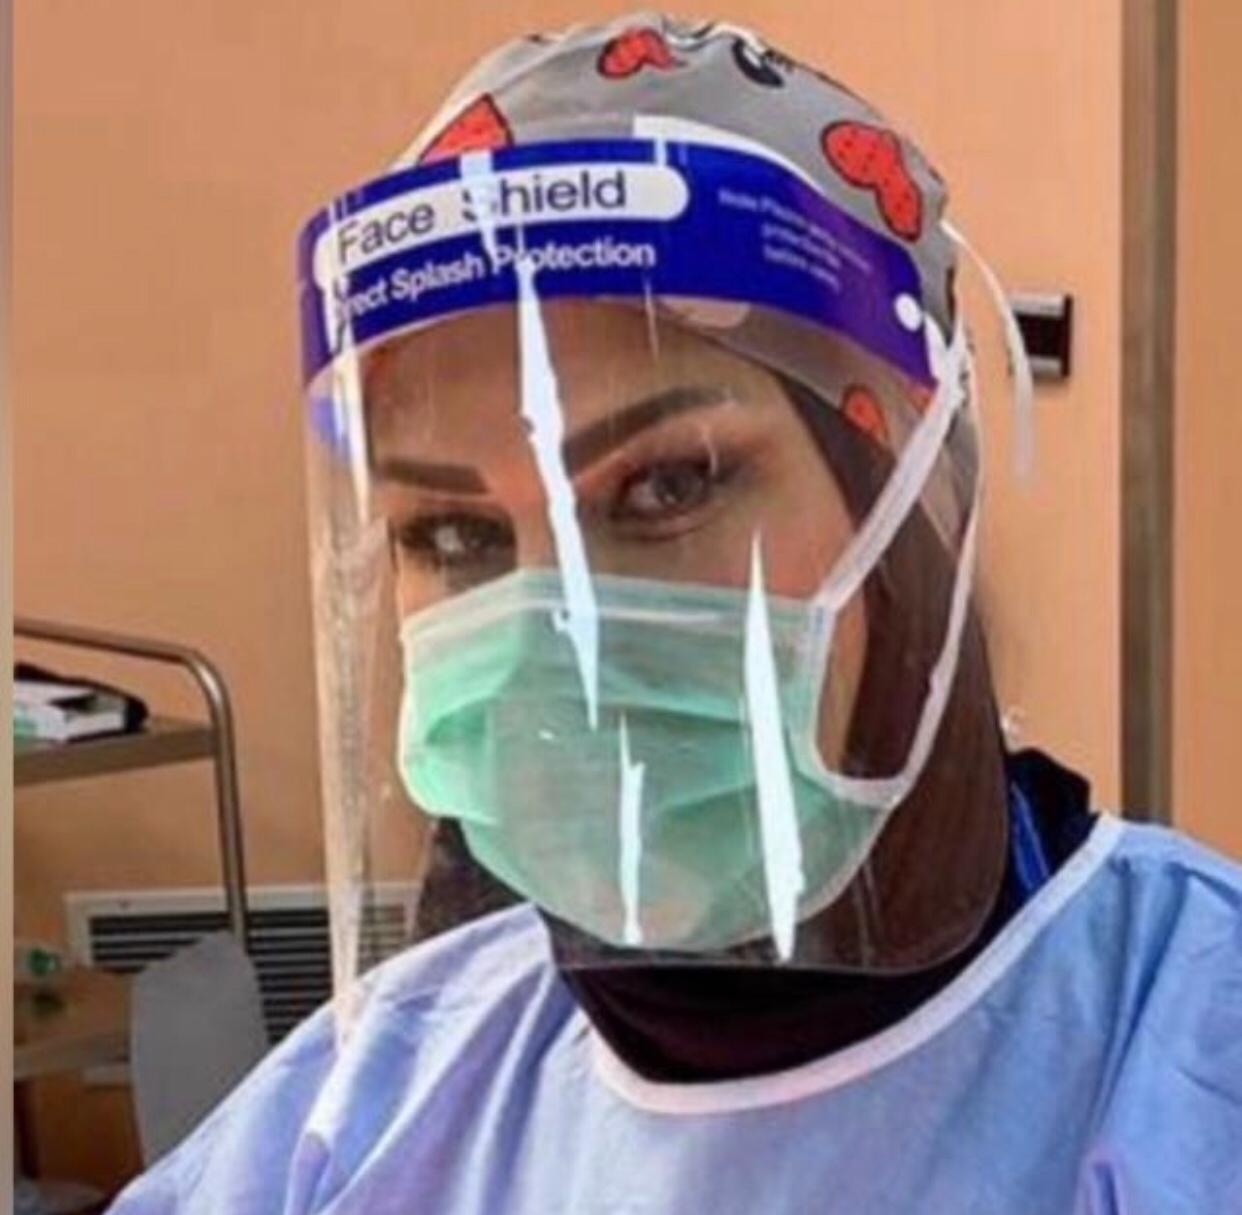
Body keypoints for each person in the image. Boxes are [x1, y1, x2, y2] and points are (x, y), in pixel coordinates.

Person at [110, 14, 1242, 1214]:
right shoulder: (362, 1113)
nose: (551, 632)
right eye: (452, 534)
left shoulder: (1186, 1057)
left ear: (915, 491)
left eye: (668, 485)